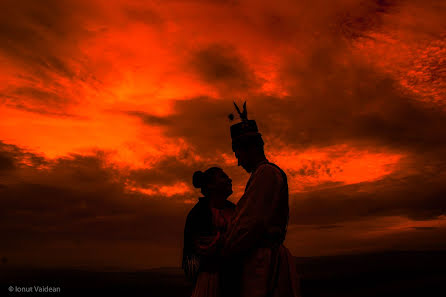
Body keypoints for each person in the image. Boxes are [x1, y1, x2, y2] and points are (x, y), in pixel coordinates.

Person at [217, 102, 301, 297]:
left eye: (238, 154)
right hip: (261, 261)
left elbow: (250, 222)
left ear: (249, 149)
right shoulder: (262, 174)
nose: (238, 162)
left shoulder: (266, 174)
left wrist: (225, 250)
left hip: (264, 265)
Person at [182, 167, 236, 297]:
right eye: (223, 176)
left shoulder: (235, 210)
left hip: (234, 281)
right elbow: (192, 258)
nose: (229, 179)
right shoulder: (198, 214)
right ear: (211, 186)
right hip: (209, 282)